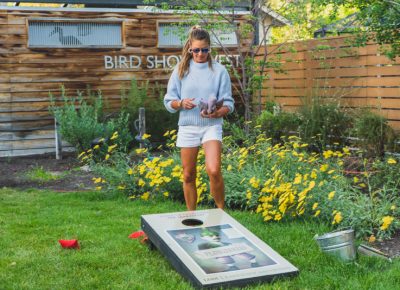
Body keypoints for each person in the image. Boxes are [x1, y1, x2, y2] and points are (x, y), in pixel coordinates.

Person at [163, 25, 234, 211]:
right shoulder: (180, 70)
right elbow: (168, 102)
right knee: (188, 175)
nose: (200, 54)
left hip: (212, 125)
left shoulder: (219, 71)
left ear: (210, 49)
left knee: (214, 170)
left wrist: (218, 112)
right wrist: (181, 103)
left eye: (204, 50)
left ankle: (221, 213)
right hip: (188, 127)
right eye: (196, 50)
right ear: (189, 49)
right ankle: (191, 216)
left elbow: (229, 103)